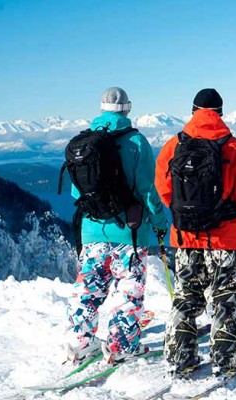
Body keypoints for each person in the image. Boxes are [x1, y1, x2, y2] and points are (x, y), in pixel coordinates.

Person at [155, 88, 236, 377]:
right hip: (225, 239)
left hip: (186, 238)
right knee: (225, 299)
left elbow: (164, 190)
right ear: (221, 112)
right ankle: (225, 363)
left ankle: (181, 357)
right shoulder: (234, 147)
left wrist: (185, 214)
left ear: (192, 110)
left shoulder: (173, 146)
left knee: (186, 296)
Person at [64, 87, 169, 364]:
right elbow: (147, 191)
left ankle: (78, 343)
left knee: (87, 289)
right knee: (127, 293)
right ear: (128, 109)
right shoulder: (136, 142)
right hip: (129, 234)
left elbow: (77, 194)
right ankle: (120, 346)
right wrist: (160, 223)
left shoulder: (82, 144)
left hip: (91, 230)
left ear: (101, 109)